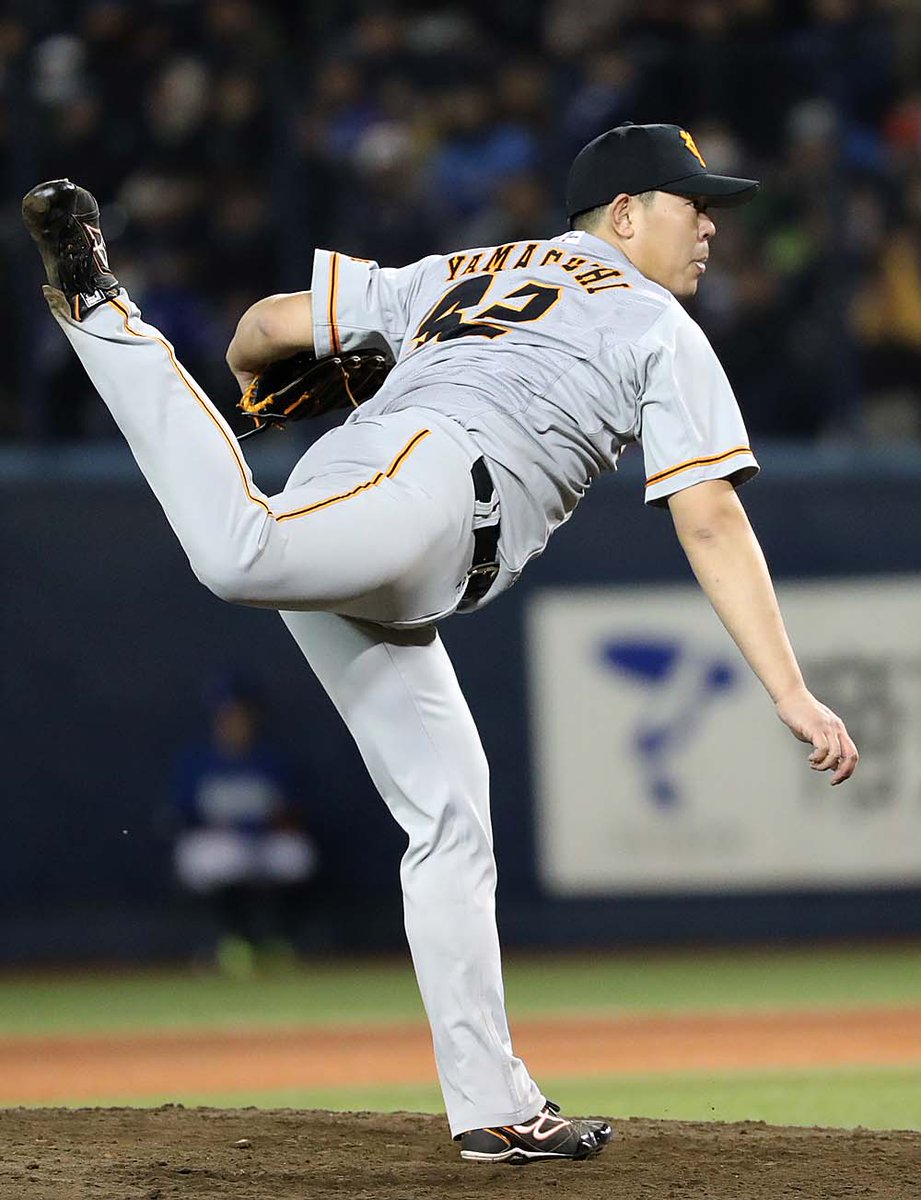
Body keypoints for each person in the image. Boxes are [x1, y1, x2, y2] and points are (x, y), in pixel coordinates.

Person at [22, 121, 858, 1166]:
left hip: (384, 503)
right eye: (695, 207)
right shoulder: (656, 322)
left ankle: (494, 1105)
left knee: (451, 813)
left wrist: (263, 379)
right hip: (427, 492)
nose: (710, 230)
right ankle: (101, 309)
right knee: (237, 554)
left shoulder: (464, 267)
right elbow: (712, 519)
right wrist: (789, 691)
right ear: (626, 214)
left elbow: (264, 327)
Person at [172, 676, 318, 975]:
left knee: (296, 855)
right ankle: (232, 941)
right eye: (228, 715)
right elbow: (181, 815)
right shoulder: (198, 761)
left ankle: (277, 940)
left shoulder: (271, 760)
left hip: (264, 840)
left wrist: (268, 823)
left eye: (240, 714)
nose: (235, 722)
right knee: (217, 859)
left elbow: (294, 812)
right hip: (220, 841)